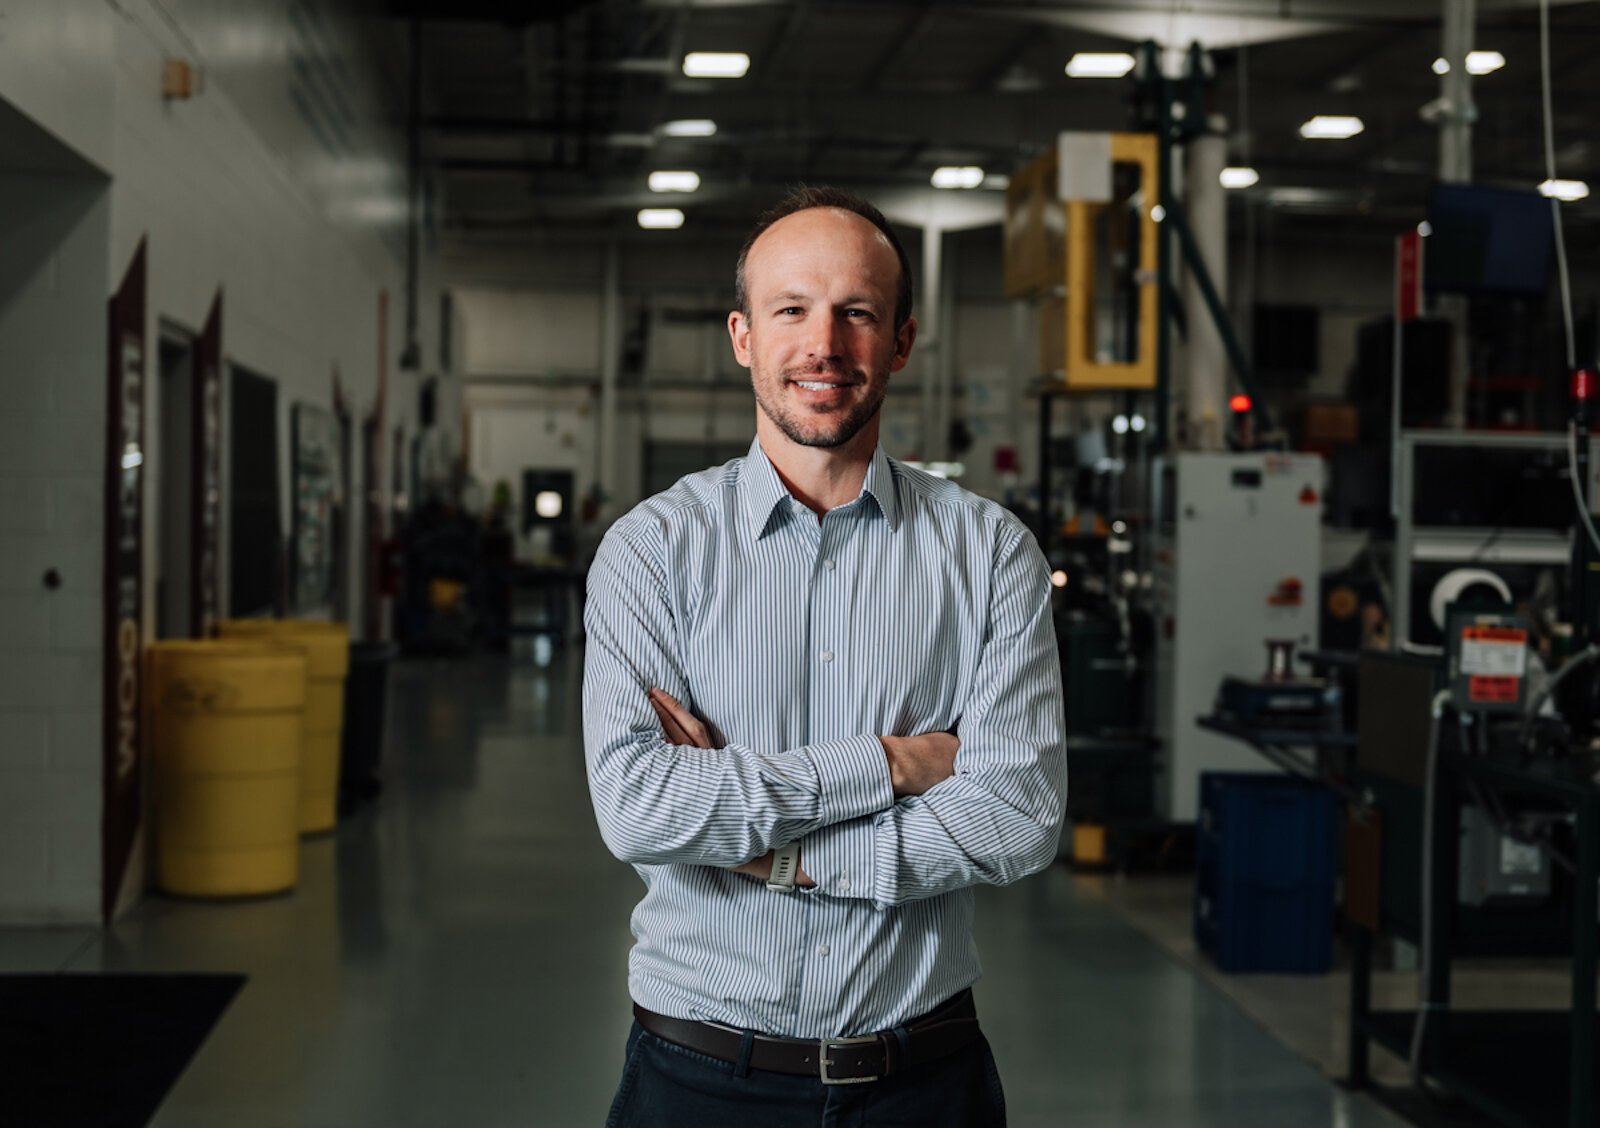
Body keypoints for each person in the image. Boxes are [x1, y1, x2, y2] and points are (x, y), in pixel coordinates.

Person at [583, 186, 1067, 1126]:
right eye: (791, 309)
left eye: (858, 312)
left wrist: (779, 859)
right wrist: (894, 763)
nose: (825, 345)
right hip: (700, 1076)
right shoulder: (654, 551)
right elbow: (639, 808)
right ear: (743, 336)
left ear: (901, 340)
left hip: (923, 1080)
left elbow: (1017, 816)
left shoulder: (991, 553)